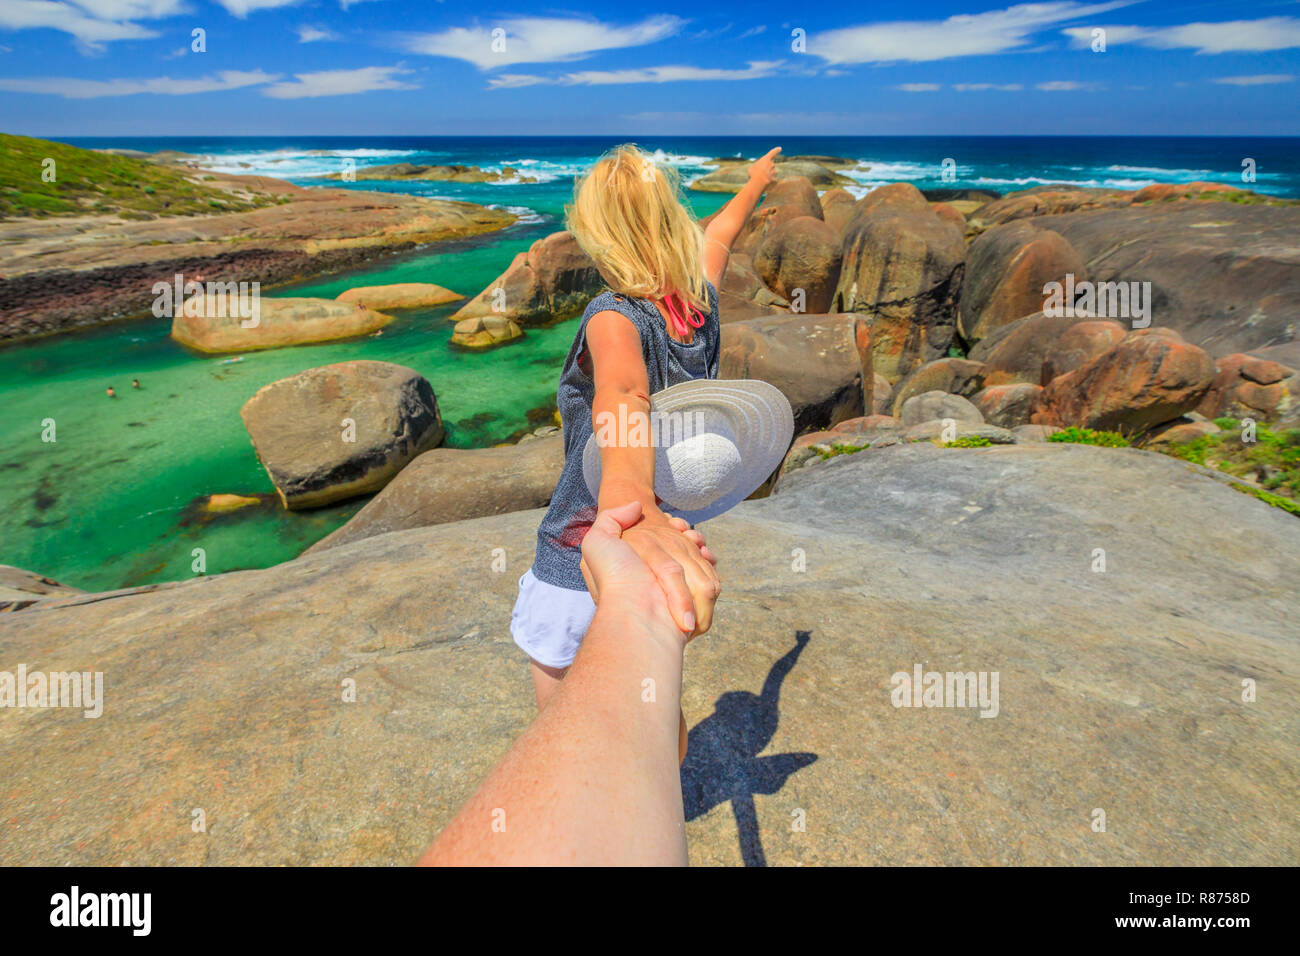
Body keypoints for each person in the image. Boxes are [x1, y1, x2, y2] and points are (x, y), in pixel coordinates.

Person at [510, 145, 782, 758]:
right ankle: (663, 786)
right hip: (662, 548)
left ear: (597, 237)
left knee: (564, 723)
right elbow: (724, 232)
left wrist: (630, 508)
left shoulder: (613, 316)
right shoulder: (700, 301)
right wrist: (756, 182)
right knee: (653, 710)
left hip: (584, 550)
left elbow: (624, 394)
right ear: (672, 218)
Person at [420, 499, 713, 866]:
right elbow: (624, 476)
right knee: (642, 718)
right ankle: (642, 797)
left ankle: (638, 796)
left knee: (579, 715)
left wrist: (638, 600)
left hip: (576, 579)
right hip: (575, 584)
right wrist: (642, 603)